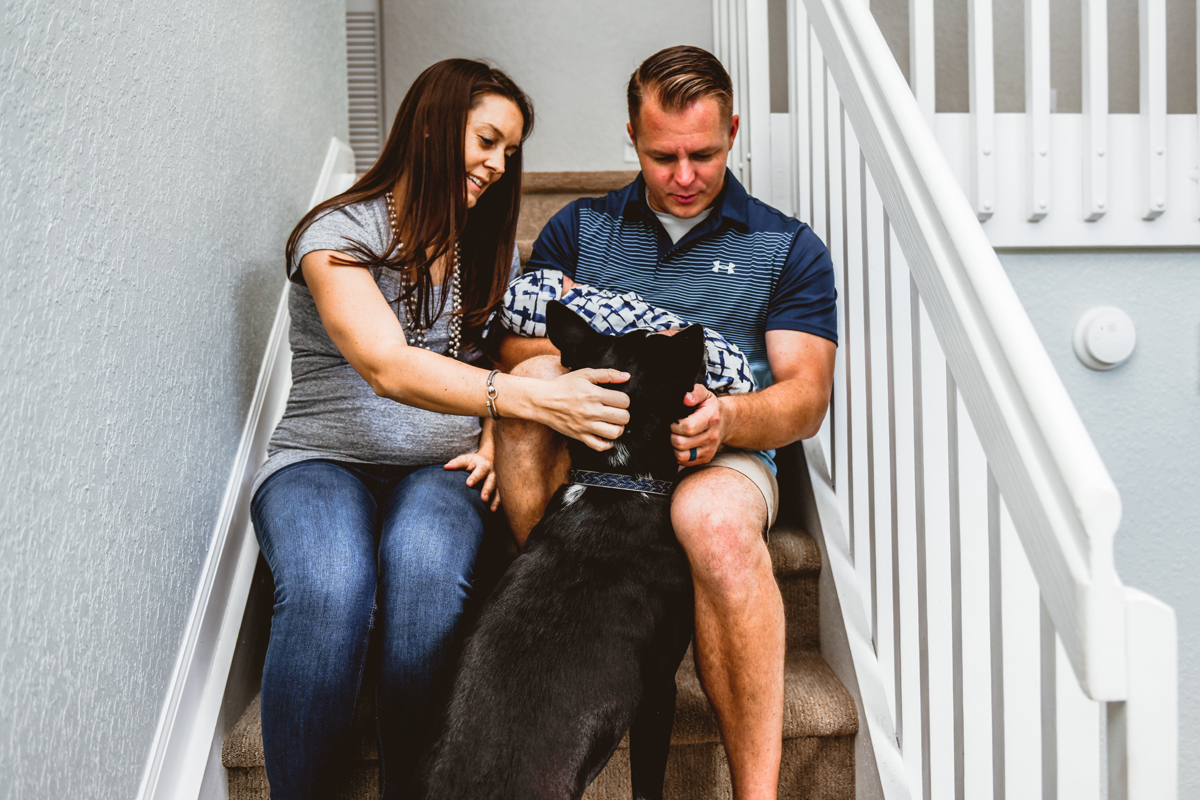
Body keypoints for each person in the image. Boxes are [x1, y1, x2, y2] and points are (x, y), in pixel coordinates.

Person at [249, 59, 633, 800]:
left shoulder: (483, 245)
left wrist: (494, 434)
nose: (496, 165)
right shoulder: (335, 234)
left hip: (443, 469)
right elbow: (389, 366)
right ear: (431, 123)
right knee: (332, 589)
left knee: (425, 577)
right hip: (321, 462)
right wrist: (537, 405)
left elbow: (494, 358)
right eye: (487, 140)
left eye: (509, 153)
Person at [492, 46, 838, 800]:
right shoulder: (581, 229)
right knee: (526, 383)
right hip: (597, 450)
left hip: (718, 451)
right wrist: (579, 383)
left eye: (703, 155)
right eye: (662, 156)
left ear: (734, 132)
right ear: (631, 137)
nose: (684, 177)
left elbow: (805, 396)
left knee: (712, 521)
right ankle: (565, 615)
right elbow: (517, 339)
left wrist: (730, 417)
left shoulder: (786, 246)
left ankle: (756, 792)